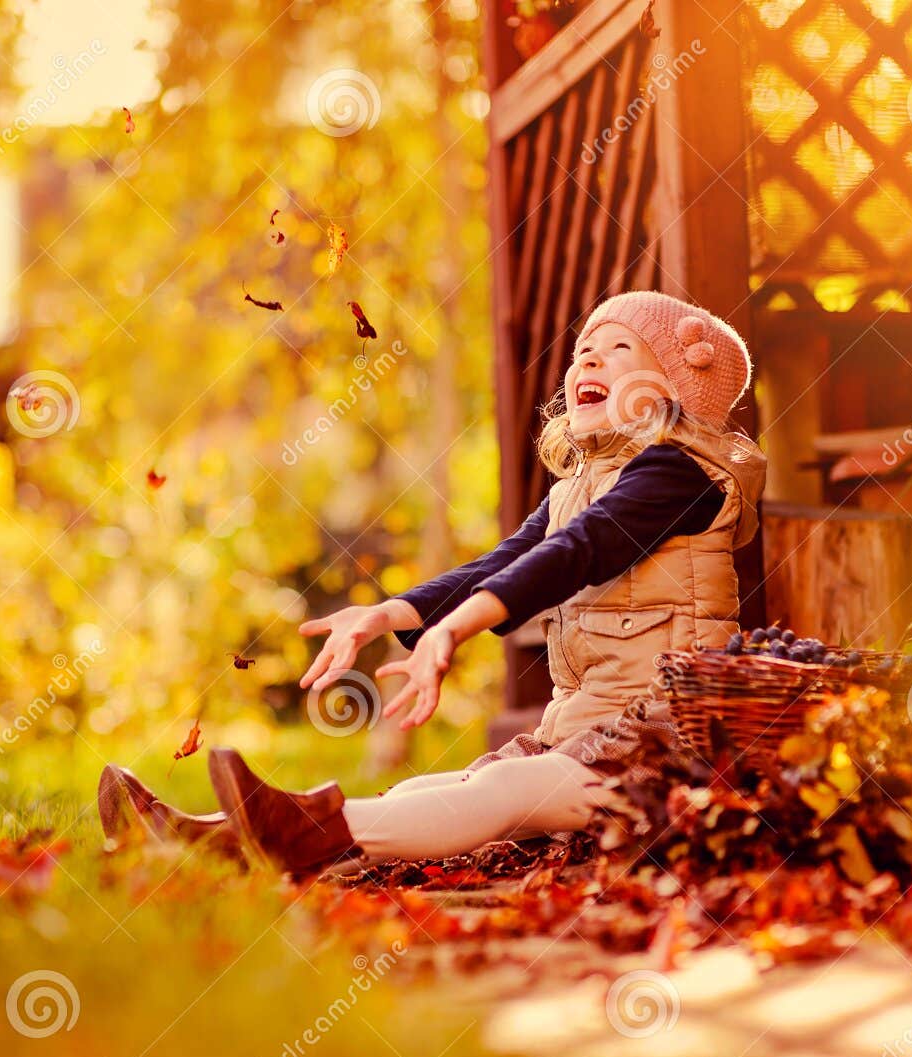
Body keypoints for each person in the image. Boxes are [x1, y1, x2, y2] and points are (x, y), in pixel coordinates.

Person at [98, 289, 766, 876]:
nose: (587, 360)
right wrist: (387, 616)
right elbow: (499, 564)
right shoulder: (577, 489)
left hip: (669, 759)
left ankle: (286, 832)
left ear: (673, 391)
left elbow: (574, 555)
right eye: (584, 349)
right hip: (590, 740)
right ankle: (199, 841)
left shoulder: (681, 477)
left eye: (619, 347)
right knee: (422, 795)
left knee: (502, 793)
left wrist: (453, 630)